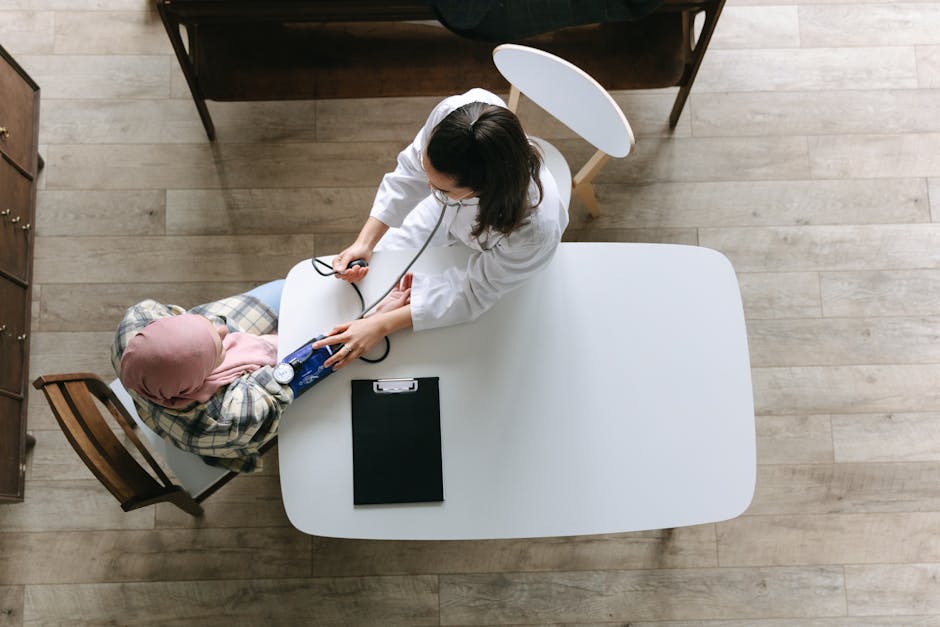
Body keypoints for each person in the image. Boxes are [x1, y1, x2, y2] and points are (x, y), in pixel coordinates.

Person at [315, 88, 567, 370]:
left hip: (501, 259)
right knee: (381, 272)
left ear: (481, 190)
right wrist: (365, 242)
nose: (427, 188)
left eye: (440, 188)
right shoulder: (458, 115)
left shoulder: (532, 232)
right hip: (449, 213)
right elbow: (410, 172)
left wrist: (380, 325)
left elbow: (474, 291)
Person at [111, 279, 410, 472]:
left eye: (204, 325)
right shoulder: (229, 418)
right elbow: (293, 374)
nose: (224, 329)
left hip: (175, 390)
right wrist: (373, 320)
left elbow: (211, 328)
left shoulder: (136, 323)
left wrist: (201, 341)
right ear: (198, 381)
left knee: (295, 287)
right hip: (232, 424)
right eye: (219, 348)